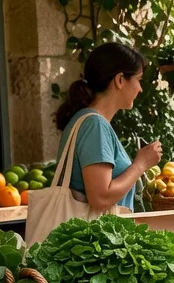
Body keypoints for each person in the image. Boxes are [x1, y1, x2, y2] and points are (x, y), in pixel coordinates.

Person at [52, 42, 162, 212]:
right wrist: (140, 164)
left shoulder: (87, 120)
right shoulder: (95, 126)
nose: (140, 89)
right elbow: (101, 197)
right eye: (138, 80)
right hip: (95, 237)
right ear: (119, 80)